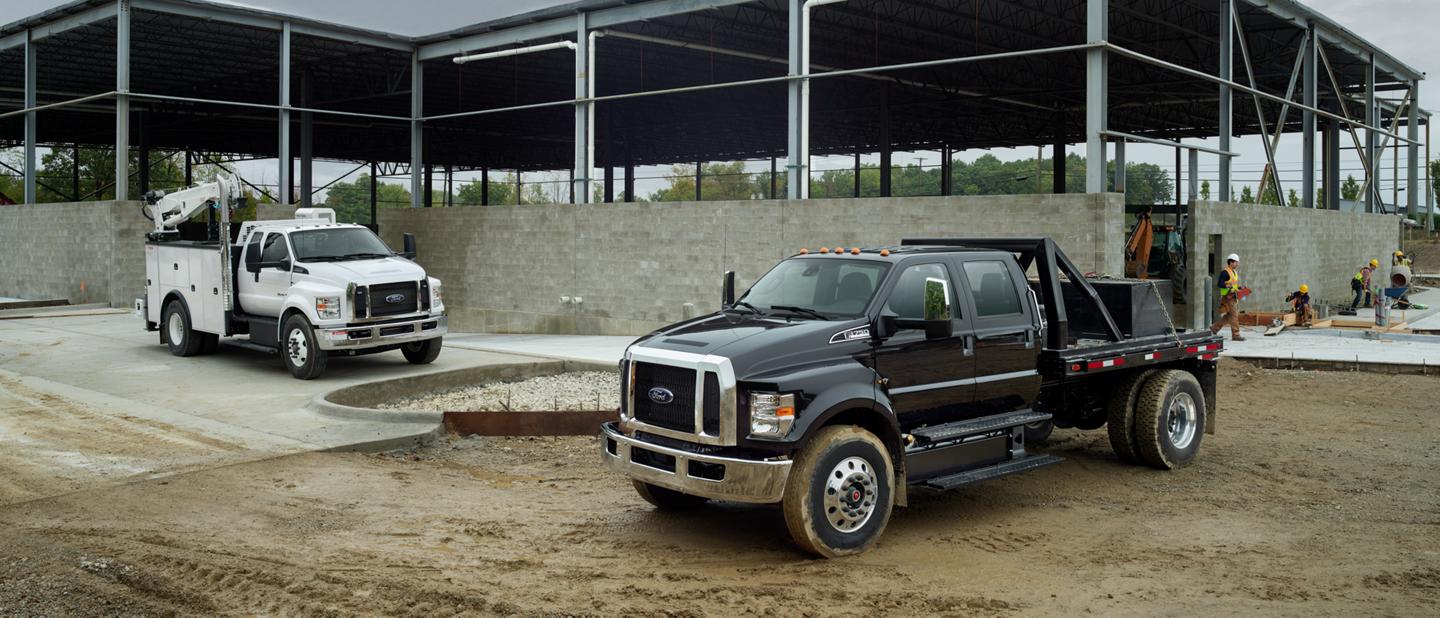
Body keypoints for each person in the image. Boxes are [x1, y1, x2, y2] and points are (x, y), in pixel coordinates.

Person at [1210, 253, 1245, 341]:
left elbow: (1233, 284)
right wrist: (1228, 287)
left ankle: (1214, 328)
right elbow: (1220, 284)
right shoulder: (1225, 272)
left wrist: (1239, 287)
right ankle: (1236, 335)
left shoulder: (1234, 272)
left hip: (1233, 296)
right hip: (1227, 297)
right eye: (1236, 262)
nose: (1237, 264)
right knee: (1234, 315)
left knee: (1229, 315)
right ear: (1231, 262)